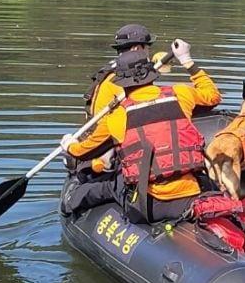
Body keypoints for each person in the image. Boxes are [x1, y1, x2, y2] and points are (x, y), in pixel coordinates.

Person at [63, 39, 222, 223]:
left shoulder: (118, 115)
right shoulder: (181, 93)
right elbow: (213, 96)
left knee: (110, 185)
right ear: (152, 75)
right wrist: (188, 61)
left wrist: (69, 145)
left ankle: (71, 199)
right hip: (190, 196)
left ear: (122, 82)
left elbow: (84, 151)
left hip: (149, 205)